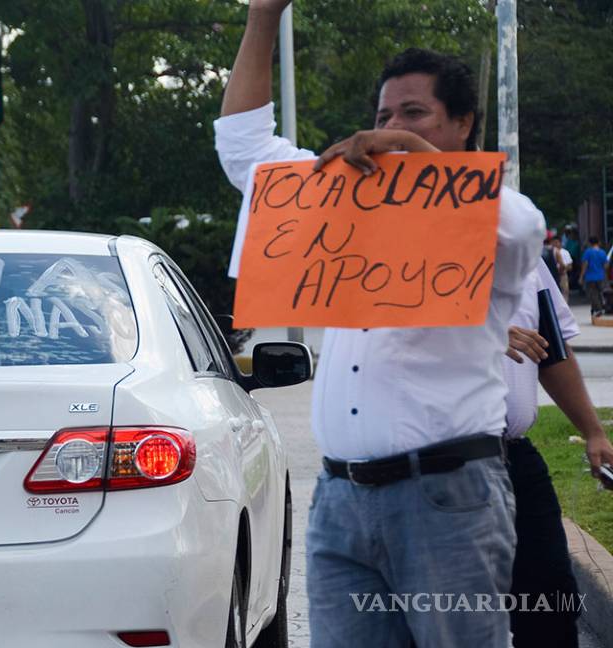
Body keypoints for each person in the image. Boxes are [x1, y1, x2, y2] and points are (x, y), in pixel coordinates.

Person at [216, 1, 545, 646]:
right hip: (340, 501)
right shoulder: (338, 202)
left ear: (462, 125)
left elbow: (523, 231)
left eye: (414, 114)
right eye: (383, 117)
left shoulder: (494, 218)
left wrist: (422, 167)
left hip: (446, 498)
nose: (391, 128)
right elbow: (244, 147)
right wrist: (262, 17)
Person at [503, 262, 613, 648]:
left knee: (551, 604)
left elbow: (551, 352)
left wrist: (593, 431)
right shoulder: (411, 246)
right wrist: (479, 338)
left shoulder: (526, 255)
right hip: (439, 468)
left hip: (512, 456)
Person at [579, 237, 607, 316]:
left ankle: (598, 309)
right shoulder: (602, 252)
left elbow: (585, 264)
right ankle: (600, 307)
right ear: (598, 242)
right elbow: (606, 265)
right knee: (600, 293)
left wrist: (581, 276)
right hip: (601, 276)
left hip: (590, 277)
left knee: (593, 294)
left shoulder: (588, 252)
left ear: (590, 243)